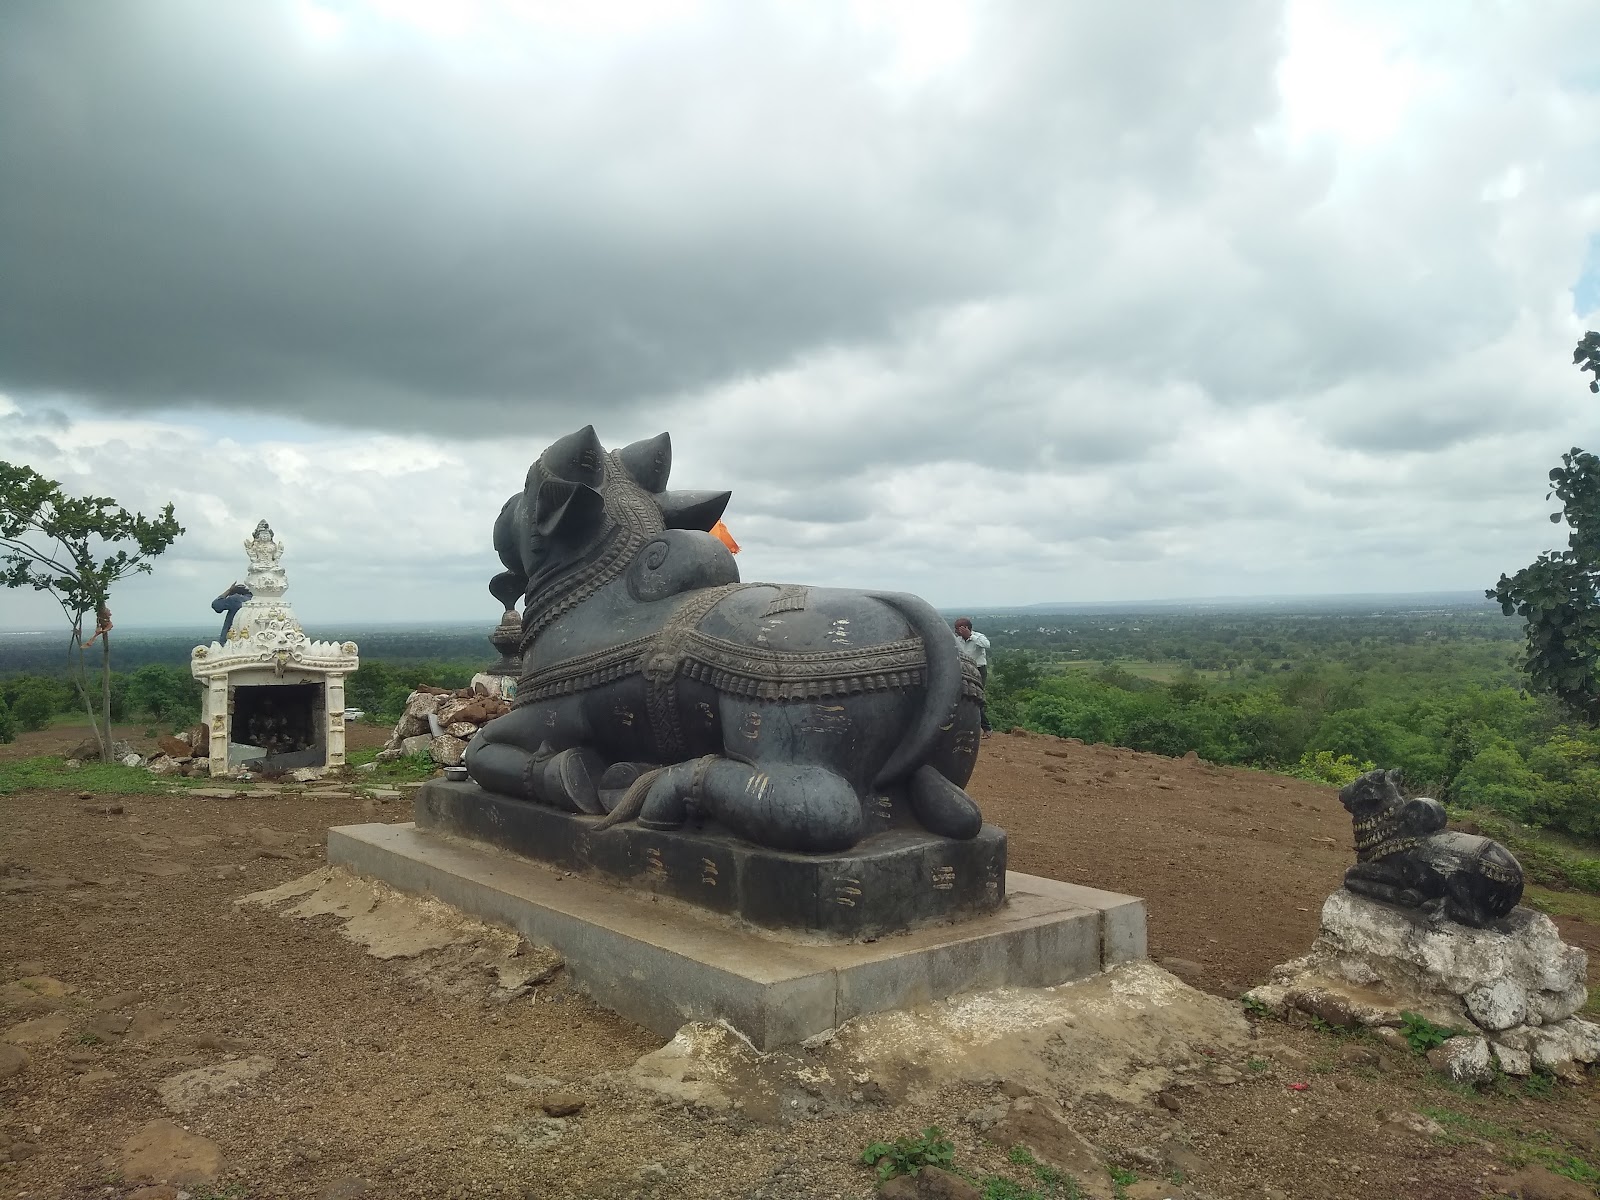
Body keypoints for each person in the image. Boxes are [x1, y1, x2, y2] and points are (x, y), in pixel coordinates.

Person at [953, 617, 992, 737]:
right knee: (961, 698)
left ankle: (986, 728)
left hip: (978, 670)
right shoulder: (957, 640)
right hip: (963, 670)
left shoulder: (979, 637)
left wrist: (970, 636)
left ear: (966, 628)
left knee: (976, 698)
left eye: (958, 628)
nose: (955, 631)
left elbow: (987, 645)